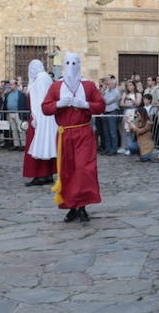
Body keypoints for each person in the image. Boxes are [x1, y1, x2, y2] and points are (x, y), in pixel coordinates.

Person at [40, 52, 105, 222]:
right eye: (68, 62)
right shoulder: (56, 87)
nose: (71, 66)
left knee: (84, 169)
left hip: (83, 132)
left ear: (80, 64)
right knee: (67, 170)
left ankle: (82, 205)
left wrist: (85, 104)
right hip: (65, 134)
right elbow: (45, 108)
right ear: (63, 65)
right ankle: (70, 205)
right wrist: (58, 104)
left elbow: (101, 105)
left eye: (74, 62)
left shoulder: (89, 86)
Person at [23, 59, 58, 186]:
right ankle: (47, 174)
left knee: (39, 146)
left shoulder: (40, 79)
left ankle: (41, 174)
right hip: (44, 117)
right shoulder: (44, 78)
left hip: (39, 118)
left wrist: (36, 118)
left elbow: (39, 101)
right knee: (45, 145)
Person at [99, 76, 122, 155]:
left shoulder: (116, 92)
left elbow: (107, 102)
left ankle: (114, 149)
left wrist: (102, 98)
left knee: (112, 132)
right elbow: (100, 95)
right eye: (108, 84)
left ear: (114, 84)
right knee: (106, 132)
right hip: (105, 113)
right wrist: (103, 88)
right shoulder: (107, 90)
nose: (108, 85)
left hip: (112, 112)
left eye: (110, 84)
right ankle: (107, 148)